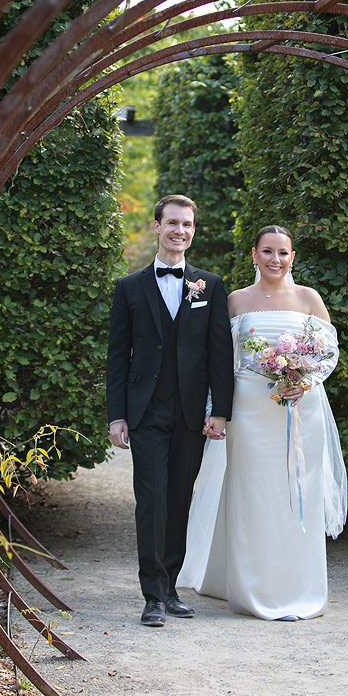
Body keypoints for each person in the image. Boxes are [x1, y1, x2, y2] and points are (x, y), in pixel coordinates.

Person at [178, 224, 347, 620]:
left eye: (283, 252)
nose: (275, 259)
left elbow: (328, 351)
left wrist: (304, 380)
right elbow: (222, 359)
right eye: (267, 251)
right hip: (249, 411)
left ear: (293, 258)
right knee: (253, 497)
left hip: (299, 411)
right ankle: (253, 589)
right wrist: (212, 408)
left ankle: (296, 588)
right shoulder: (236, 300)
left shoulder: (309, 298)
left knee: (294, 497)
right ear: (253, 254)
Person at [107, 195, 234, 626]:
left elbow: (220, 353)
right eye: (173, 223)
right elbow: (117, 356)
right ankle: (152, 595)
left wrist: (221, 411)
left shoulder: (210, 286)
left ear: (193, 231)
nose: (181, 230)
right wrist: (116, 414)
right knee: (152, 499)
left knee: (180, 497)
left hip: (191, 413)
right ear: (156, 227)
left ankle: (171, 586)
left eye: (188, 225)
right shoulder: (128, 288)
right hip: (145, 413)